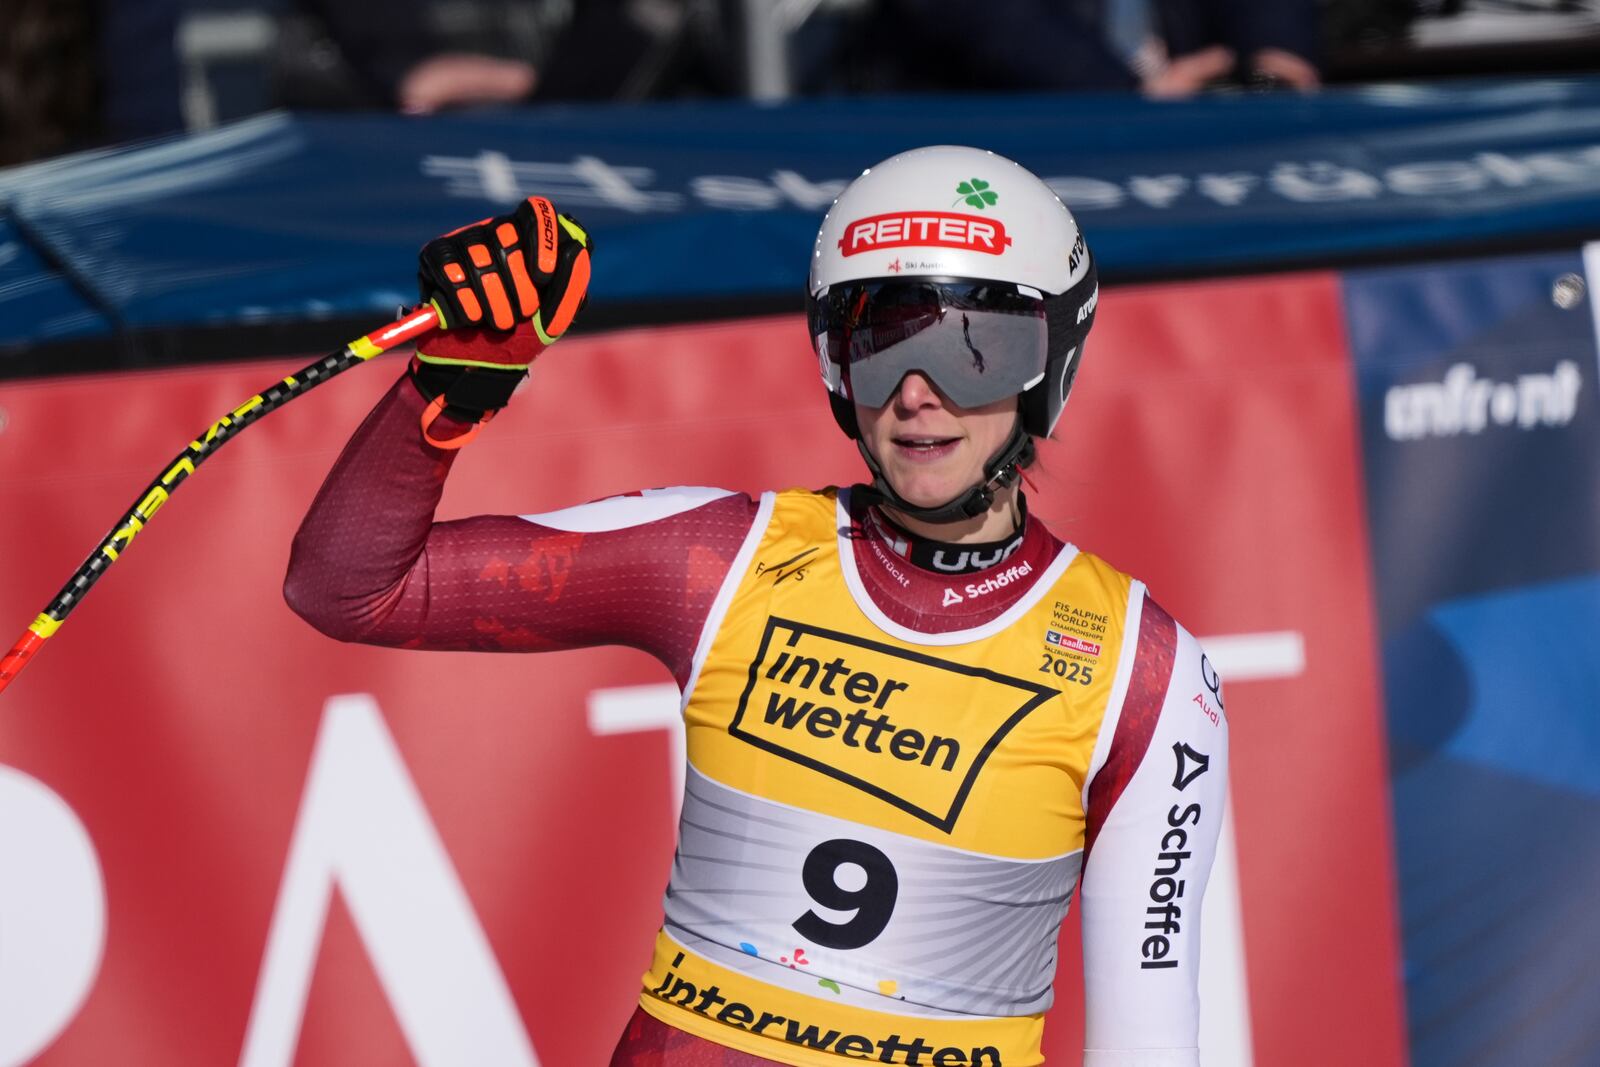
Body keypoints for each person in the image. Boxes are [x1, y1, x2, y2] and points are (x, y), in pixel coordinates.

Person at [284, 145, 1229, 1066]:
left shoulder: (1144, 678)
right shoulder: (715, 556)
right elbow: (349, 587)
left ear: (1048, 365)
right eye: (878, 342)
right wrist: (448, 389)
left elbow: (1149, 1047)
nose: (915, 395)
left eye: (971, 350)